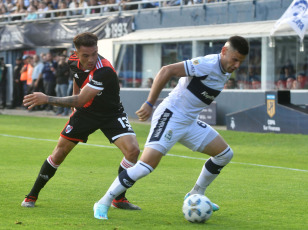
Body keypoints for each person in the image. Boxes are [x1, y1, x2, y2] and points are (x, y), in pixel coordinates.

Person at [93, 35, 249, 220]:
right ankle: (103, 202)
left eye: (241, 62)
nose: (237, 65)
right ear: (224, 51)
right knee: (145, 167)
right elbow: (167, 70)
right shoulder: (207, 64)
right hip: (171, 116)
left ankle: (195, 194)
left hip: (189, 122)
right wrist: (149, 103)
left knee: (224, 154)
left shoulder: (224, 70)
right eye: (235, 59)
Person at [21, 32, 141, 211]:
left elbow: (80, 100)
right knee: (59, 153)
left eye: (94, 53)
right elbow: (77, 80)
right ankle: (32, 195)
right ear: (76, 53)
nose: (91, 58)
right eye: (86, 55)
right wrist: (74, 105)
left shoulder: (104, 70)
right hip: (86, 113)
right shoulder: (72, 61)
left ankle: (119, 198)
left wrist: (47, 98)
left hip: (111, 113)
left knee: (133, 151)